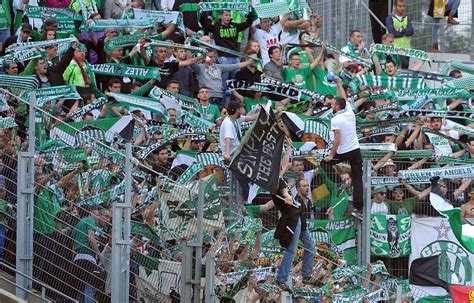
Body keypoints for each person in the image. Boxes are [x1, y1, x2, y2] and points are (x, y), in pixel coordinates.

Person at [324, 97, 363, 218]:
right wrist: (339, 84)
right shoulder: (350, 113)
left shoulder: (335, 119)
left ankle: (338, 182)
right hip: (355, 151)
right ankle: (358, 209)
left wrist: (331, 155)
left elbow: (337, 138)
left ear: (337, 107)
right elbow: (344, 99)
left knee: (324, 163)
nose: (331, 106)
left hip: (343, 152)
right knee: (357, 180)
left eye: (332, 104)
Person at [385, 0, 413, 68]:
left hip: (406, 50)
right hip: (395, 49)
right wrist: (405, 33)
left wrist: (400, 30)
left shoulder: (407, 18)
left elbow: (411, 31)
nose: (402, 8)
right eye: (400, 6)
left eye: (403, 6)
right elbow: (392, 33)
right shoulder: (390, 18)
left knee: (405, 70)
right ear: (395, 7)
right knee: (398, 68)